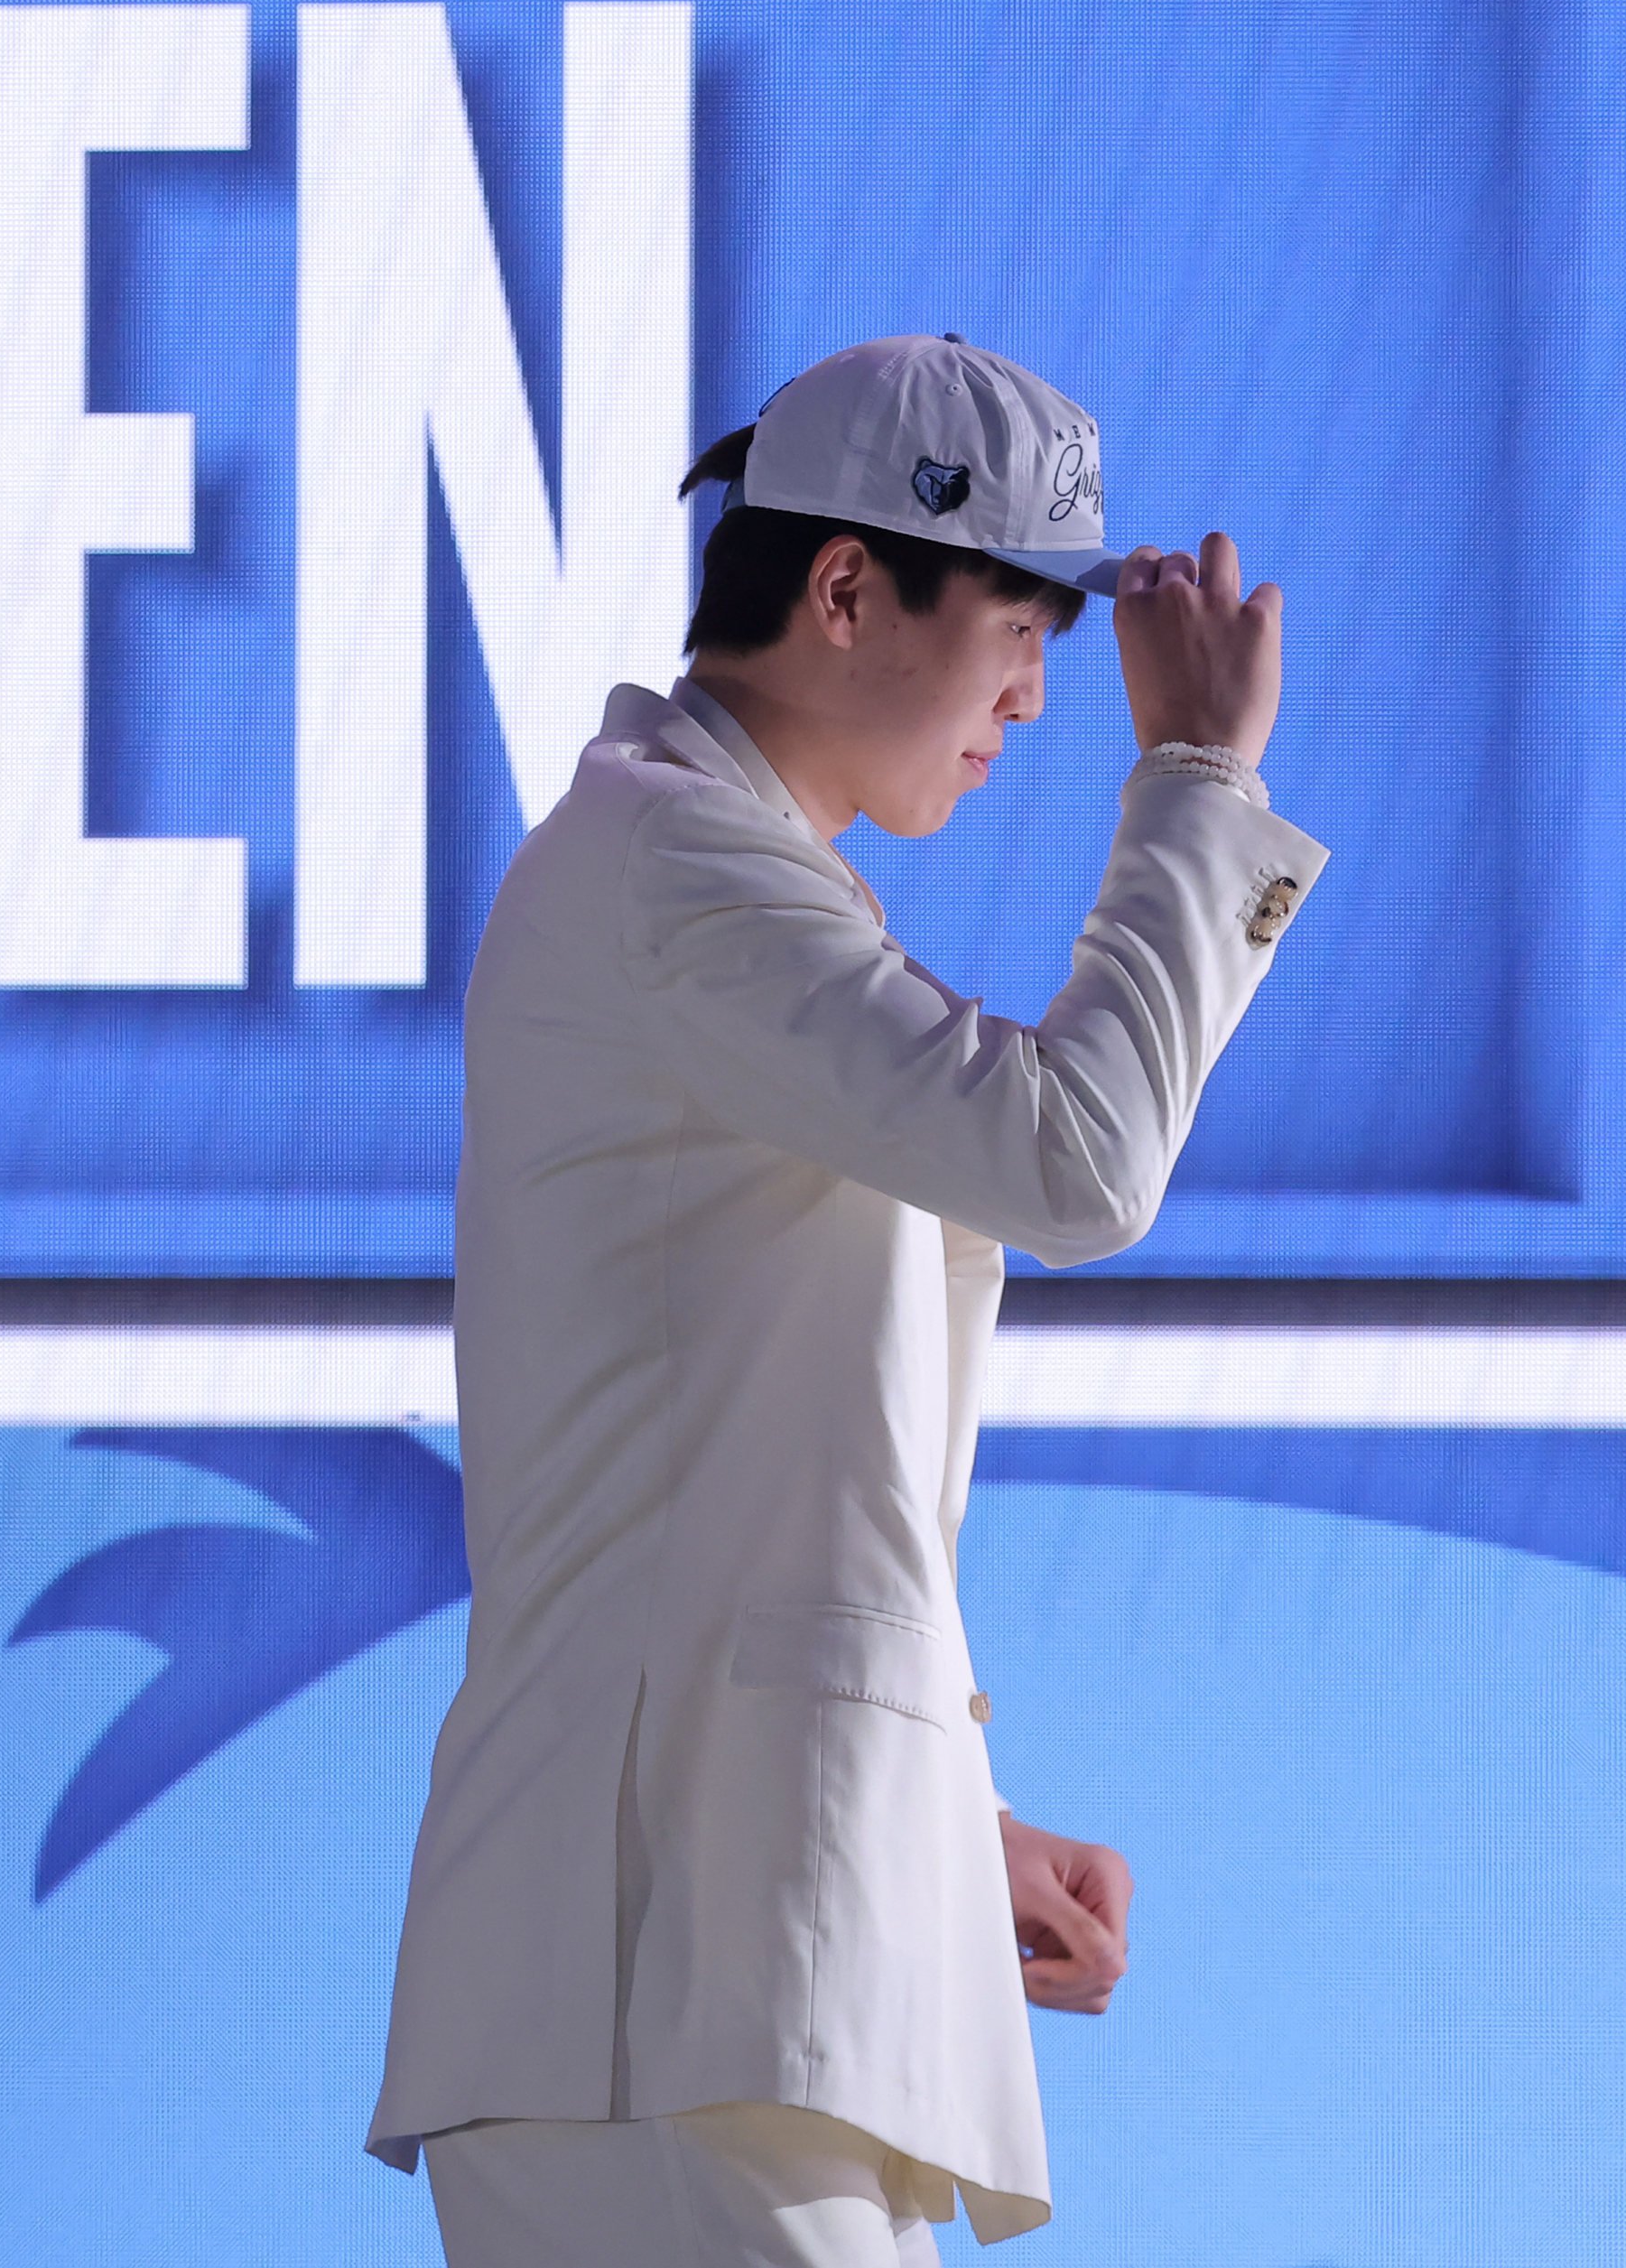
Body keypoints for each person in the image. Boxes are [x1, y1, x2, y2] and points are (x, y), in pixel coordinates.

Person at [366, 334, 1327, 2262]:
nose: (1032, 700)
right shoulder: (679, 877)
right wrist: (1199, 783)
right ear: (837, 589)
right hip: (672, 2007)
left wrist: (921, 1828)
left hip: (701, 1991)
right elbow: (1077, 1162)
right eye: (1014, 630)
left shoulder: (705, 878)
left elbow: (725, 1488)